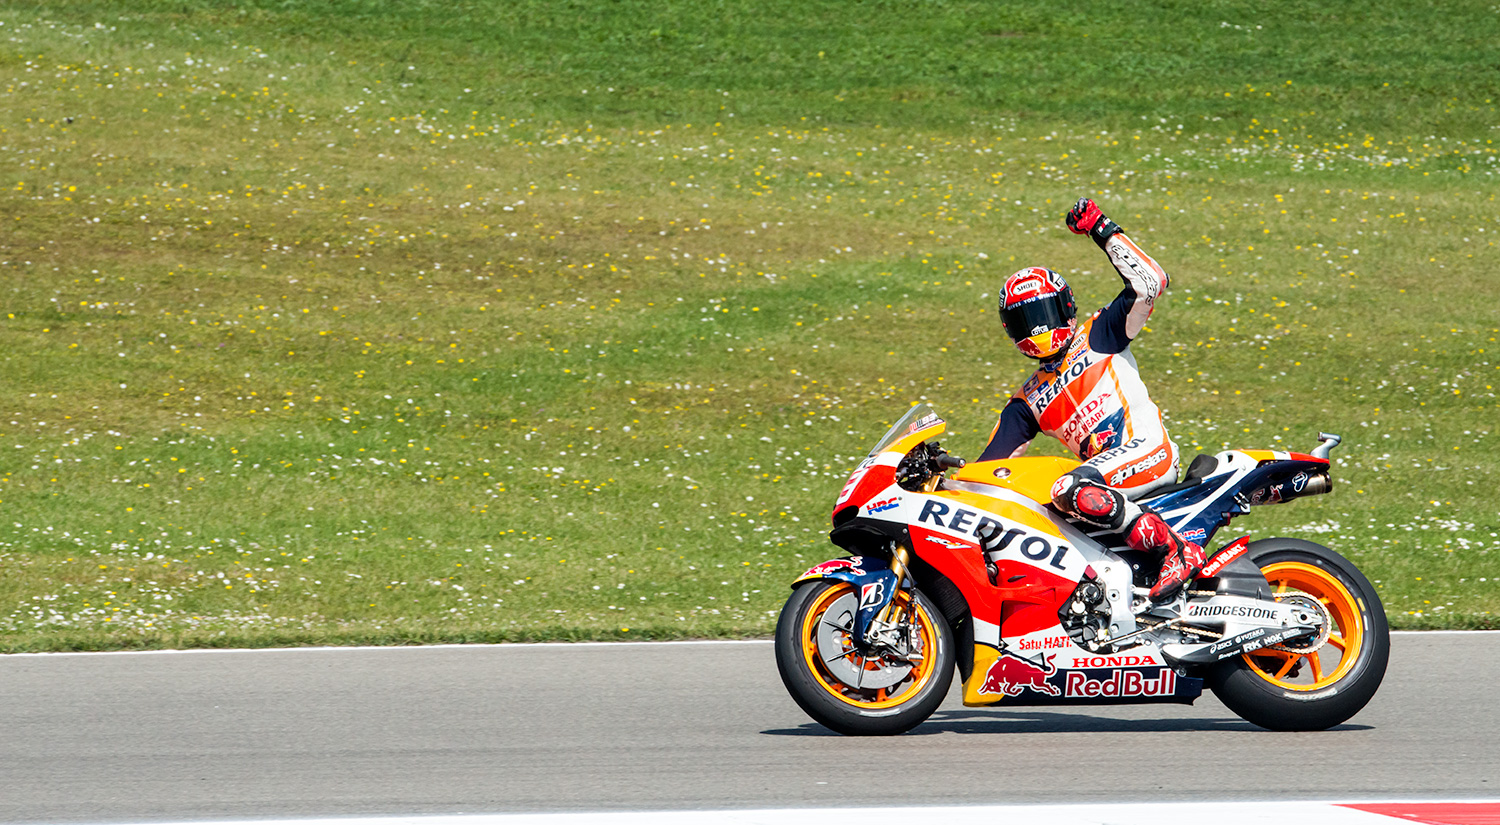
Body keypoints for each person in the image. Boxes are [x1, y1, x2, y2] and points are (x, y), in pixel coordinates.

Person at [977, 197, 1203, 601]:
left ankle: (1176, 550)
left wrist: (1102, 228)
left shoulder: (1100, 334)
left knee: (1065, 488)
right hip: (1105, 483)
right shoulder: (1026, 401)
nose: (1038, 329)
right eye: (1025, 322)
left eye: (1043, 314)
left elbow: (1151, 282)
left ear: (1066, 309)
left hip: (1147, 451)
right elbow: (988, 472)